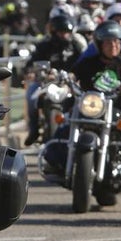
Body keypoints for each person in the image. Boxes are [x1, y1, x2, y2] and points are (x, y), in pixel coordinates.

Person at [24, 12, 86, 146]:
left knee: (85, 100)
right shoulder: (44, 45)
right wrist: (33, 72)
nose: (65, 35)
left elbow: (84, 63)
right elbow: (31, 63)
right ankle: (34, 130)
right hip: (46, 82)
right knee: (31, 96)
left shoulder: (76, 45)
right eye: (61, 32)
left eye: (67, 32)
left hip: (70, 83)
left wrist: (76, 76)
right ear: (54, 32)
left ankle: (83, 130)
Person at [71, 19, 121, 92]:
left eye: (117, 41)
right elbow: (73, 75)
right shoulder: (87, 63)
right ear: (100, 45)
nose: (113, 45)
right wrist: (67, 80)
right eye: (108, 42)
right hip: (88, 101)